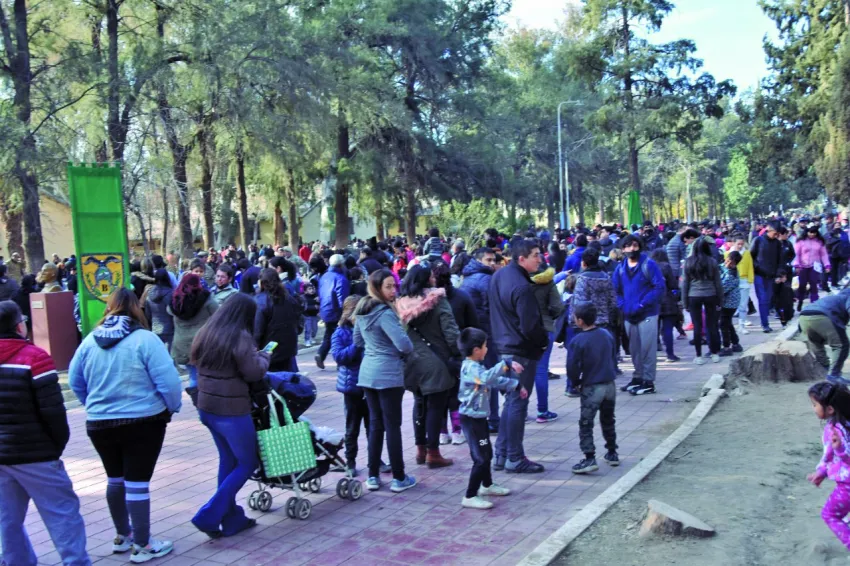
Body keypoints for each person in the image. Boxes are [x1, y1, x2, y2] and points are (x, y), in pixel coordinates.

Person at [68, 288, 182, 563]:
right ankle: (143, 545)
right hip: (143, 421)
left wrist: (93, 404)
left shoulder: (89, 341)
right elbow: (169, 382)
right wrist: (171, 406)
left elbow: (75, 380)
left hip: (99, 423)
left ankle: (123, 536)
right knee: (137, 482)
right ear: (136, 309)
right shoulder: (146, 339)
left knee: (115, 478)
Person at [0, 301, 91, 566]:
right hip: (36, 453)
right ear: (19, 326)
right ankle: (75, 562)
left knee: (7, 518)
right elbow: (53, 411)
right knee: (62, 514)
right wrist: (54, 447)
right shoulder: (35, 358)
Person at [189, 294, 269, 539]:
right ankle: (209, 514)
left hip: (207, 407)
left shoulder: (206, 331)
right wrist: (264, 357)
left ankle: (232, 518)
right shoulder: (240, 337)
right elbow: (253, 372)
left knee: (229, 459)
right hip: (232, 411)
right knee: (247, 462)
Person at [353, 269, 417, 492]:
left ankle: (373, 475)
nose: (393, 291)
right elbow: (404, 345)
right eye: (388, 286)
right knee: (392, 426)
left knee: (375, 425)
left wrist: (375, 345)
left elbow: (357, 340)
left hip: (368, 373)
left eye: (394, 286)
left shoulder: (362, 310)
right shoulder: (385, 313)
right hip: (388, 374)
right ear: (376, 288)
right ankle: (399, 477)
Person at [489, 239, 549, 473]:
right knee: (517, 403)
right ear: (521, 258)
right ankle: (513, 456)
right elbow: (530, 326)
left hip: (505, 347)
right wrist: (542, 342)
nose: (540, 259)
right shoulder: (521, 286)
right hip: (519, 351)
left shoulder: (500, 276)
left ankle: (502, 454)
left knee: (512, 402)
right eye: (535, 255)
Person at [396, 265, 460, 468]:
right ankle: (433, 453)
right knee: (436, 406)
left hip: (412, 361)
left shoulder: (400, 304)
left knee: (419, 404)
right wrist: (458, 353)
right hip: (436, 361)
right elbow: (450, 331)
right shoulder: (437, 300)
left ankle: (420, 450)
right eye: (432, 276)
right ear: (426, 280)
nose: (434, 279)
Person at [456, 327, 525, 510]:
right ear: (476, 349)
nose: (487, 349)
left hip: (479, 418)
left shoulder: (477, 366)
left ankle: (486, 485)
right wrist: (506, 364)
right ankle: (470, 496)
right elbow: (487, 378)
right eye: (485, 346)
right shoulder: (471, 367)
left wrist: (515, 385)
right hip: (471, 420)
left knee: (486, 454)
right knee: (481, 458)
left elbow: (492, 380)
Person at [567, 303, 619, 474]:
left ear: (580, 321)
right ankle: (612, 452)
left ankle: (589, 457)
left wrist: (575, 382)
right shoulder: (606, 334)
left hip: (592, 386)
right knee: (608, 419)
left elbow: (572, 366)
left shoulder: (578, 340)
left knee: (586, 423)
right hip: (609, 384)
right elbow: (613, 355)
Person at [431, 260, 479, 445]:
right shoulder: (462, 296)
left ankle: (442, 432)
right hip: (457, 352)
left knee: (439, 393)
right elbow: (473, 324)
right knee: (456, 392)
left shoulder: (428, 300)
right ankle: (457, 430)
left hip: (435, 352)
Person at [613, 234, 665, 395]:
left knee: (647, 349)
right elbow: (615, 290)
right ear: (623, 249)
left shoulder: (649, 265)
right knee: (634, 349)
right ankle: (638, 377)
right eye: (628, 246)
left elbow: (659, 287)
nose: (632, 249)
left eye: (635, 245)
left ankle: (648, 381)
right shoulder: (620, 268)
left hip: (647, 313)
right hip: (629, 315)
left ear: (640, 247)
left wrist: (643, 304)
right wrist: (622, 305)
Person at [461, 248, 502, 433]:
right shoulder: (485, 279)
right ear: (479, 260)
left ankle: (478, 416)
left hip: (472, 334)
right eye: (488, 260)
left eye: (493, 260)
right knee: (489, 376)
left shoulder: (467, 277)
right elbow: (492, 308)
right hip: (485, 334)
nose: (492, 263)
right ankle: (493, 419)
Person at [807, 381, 850, 550]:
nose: (813, 408)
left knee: (830, 514)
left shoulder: (835, 430)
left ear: (830, 409)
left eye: (815, 404)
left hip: (847, 486)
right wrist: (821, 472)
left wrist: (840, 450)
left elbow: (837, 456)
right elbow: (829, 457)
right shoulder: (843, 423)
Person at [530, 260, 564, 423]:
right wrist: (549, 316)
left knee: (521, 370)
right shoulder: (548, 282)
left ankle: (519, 410)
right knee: (541, 370)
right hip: (545, 327)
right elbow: (558, 307)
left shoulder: (519, 280)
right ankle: (542, 411)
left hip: (523, 330)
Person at [681, 237, 723, 365]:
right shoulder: (712, 262)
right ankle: (714, 353)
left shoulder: (688, 262)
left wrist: (685, 302)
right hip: (711, 294)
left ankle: (698, 355)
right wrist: (720, 300)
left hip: (694, 295)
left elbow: (685, 283)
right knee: (712, 325)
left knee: (697, 326)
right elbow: (718, 282)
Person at [254, 268, 302, 373]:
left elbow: (257, 330)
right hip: (288, 350)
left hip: (269, 352)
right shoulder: (289, 298)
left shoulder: (261, 301)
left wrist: (254, 347)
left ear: (262, 282)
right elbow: (299, 323)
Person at [799, 289, 850, 384]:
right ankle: (833, 375)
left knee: (817, 345)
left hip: (803, 316)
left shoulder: (834, 297)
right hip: (823, 316)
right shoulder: (848, 296)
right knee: (841, 345)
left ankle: (825, 370)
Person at [168, 274, 218, 369]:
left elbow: (169, 311)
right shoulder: (206, 299)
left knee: (192, 372)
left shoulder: (175, 301)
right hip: (201, 342)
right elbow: (218, 313)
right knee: (203, 372)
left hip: (181, 344)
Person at [315, 254, 350, 370]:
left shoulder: (324, 276)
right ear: (341, 264)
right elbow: (342, 298)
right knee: (340, 336)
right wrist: (345, 312)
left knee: (329, 334)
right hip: (336, 311)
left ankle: (321, 353)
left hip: (326, 309)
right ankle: (340, 362)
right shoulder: (340, 278)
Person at [649, 249, 681, 362]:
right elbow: (673, 284)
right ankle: (670, 355)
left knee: (653, 329)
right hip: (667, 300)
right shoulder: (666, 266)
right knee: (667, 329)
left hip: (653, 301)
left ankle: (652, 355)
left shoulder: (649, 266)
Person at [750, 222, 782, 333]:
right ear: (769, 230)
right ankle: (765, 324)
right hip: (759, 275)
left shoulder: (777, 243)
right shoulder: (758, 240)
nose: (776, 235)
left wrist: (779, 274)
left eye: (778, 234)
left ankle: (765, 321)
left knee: (768, 300)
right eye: (775, 233)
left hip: (771, 276)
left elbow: (780, 260)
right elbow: (751, 257)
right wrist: (757, 267)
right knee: (763, 299)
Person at [794, 226, 831, 311]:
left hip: (815, 266)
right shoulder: (801, 241)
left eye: (814, 233)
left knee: (814, 284)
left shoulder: (819, 242)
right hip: (803, 266)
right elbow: (797, 254)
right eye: (810, 232)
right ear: (807, 232)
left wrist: (827, 265)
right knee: (802, 285)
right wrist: (797, 265)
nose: (812, 234)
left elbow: (824, 254)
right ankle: (800, 301)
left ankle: (814, 303)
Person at [719, 251, 743, 357]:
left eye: (730, 262)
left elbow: (722, 288)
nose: (727, 263)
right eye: (727, 260)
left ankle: (726, 347)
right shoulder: (725, 268)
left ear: (735, 264)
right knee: (728, 323)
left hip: (729, 303)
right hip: (729, 302)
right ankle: (736, 343)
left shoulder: (731, 275)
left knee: (723, 324)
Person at [729, 236, 755, 335]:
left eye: (742, 244)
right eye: (738, 244)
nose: (740, 246)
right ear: (733, 243)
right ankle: (730, 326)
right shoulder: (728, 253)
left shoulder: (747, 253)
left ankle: (742, 326)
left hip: (744, 281)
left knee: (743, 306)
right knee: (731, 305)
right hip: (732, 281)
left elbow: (750, 267)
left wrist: (750, 280)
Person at [144, 269, 175, 350]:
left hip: (155, 329)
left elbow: (148, 314)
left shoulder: (149, 293)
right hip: (170, 329)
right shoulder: (172, 293)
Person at [302, 283, 320, 347]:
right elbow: (304, 307)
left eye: (312, 288)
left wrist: (319, 301)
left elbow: (319, 305)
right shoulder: (303, 298)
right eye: (309, 289)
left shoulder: (316, 297)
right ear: (305, 291)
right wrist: (313, 307)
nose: (312, 290)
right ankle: (307, 340)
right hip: (307, 316)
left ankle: (312, 337)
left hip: (314, 315)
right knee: (308, 329)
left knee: (315, 328)